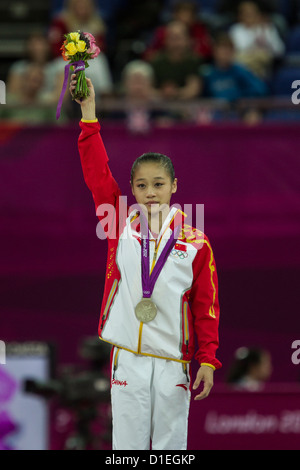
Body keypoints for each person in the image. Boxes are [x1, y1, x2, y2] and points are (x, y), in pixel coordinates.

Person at [69, 74, 221, 450]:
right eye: (141, 185)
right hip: (128, 359)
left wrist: (207, 360)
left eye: (158, 184)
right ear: (132, 189)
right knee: (128, 451)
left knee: (171, 450)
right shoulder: (119, 224)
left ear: (173, 186)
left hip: (173, 360)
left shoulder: (196, 243)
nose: (150, 193)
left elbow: (206, 307)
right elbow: (96, 174)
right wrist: (88, 112)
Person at [201, 32, 268, 101]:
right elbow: (202, 97)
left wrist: (240, 98)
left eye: (229, 50)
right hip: (215, 110)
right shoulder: (207, 73)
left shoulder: (240, 70)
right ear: (215, 52)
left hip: (238, 109)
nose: (226, 54)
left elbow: (260, 89)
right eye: (222, 50)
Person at [228, 1, 285, 79]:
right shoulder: (236, 29)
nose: (249, 16)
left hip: (264, 66)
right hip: (244, 65)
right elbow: (237, 51)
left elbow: (279, 51)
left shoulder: (267, 28)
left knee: (264, 56)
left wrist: (266, 37)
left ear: (258, 14)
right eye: (246, 13)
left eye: (252, 13)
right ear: (240, 16)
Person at [149, 21, 202, 100]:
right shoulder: (156, 61)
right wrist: (163, 93)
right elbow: (147, 90)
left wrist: (175, 93)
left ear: (187, 40)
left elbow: (193, 90)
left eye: (179, 38)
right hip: (159, 107)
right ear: (165, 40)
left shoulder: (193, 61)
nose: (176, 43)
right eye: (172, 38)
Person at [145, 0, 213, 61]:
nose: (185, 19)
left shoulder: (200, 30)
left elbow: (206, 51)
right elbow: (151, 52)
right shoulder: (164, 31)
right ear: (175, 15)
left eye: (189, 15)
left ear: (194, 17)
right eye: (182, 15)